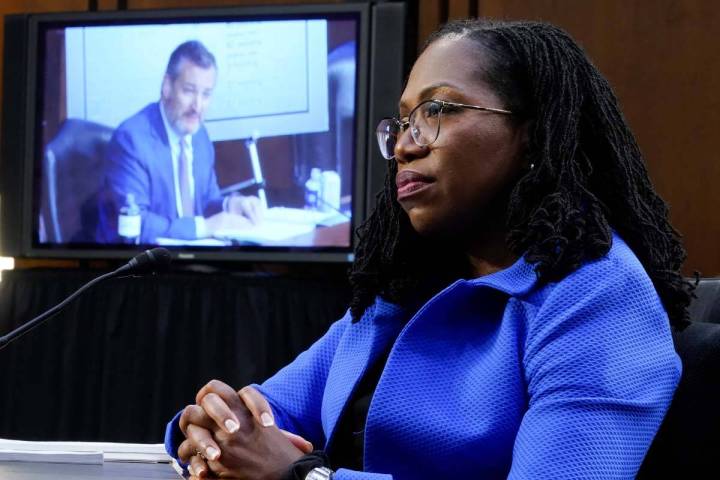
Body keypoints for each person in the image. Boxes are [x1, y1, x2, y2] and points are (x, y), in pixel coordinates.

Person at [164, 19, 693, 479]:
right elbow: (264, 416)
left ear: (533, 135)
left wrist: (305, 476)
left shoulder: (597, 298)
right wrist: (211, 428)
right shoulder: (405, 286)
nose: (404, 144)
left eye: (437, 110)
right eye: (401, 122)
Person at [104, 40, 261, 243]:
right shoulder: (131, 140)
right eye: (189, 91)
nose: (198, 106)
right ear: (167, 87)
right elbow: (136, 223)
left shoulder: (200, 136)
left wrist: (231, 205)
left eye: (206, 94)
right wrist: (205, 227)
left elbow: (205, 201)